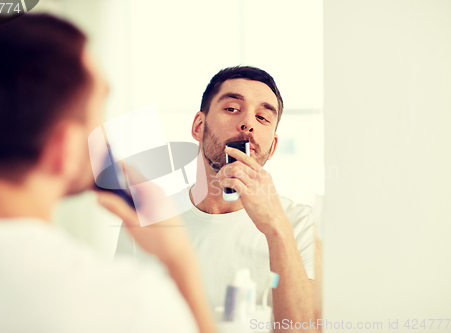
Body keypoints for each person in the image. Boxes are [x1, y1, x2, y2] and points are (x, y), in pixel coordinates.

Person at [0, 14, 216, 333]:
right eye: (98, 117)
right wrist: (180, 260)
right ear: (64, 149)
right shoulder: (126, 303)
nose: (106, 140)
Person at [118, 66, 322, 330]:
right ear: (199, 126)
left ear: (272, 146)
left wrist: (276, 228)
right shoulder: (148, 219)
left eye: (262, 117)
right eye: (232, 109)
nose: (247, 123)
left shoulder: (299, 223)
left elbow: (304, 330)